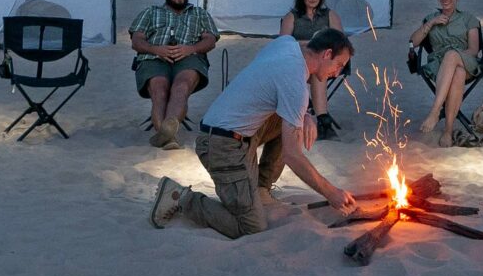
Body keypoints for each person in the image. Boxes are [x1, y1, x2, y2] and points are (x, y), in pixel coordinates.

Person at [150, 28, 363, 238]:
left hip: (230, 131)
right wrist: (331, 193)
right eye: (339, 65)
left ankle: (260, 189)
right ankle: (181, 198)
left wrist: (305, 113)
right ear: (327, 54)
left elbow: (273, 81)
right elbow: (293, 156)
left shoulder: (286, 44)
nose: (337, 73)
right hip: (221, 146)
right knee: (251, 226)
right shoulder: (295, 82)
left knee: (290, 117)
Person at [130, 0, 219, 150]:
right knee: (159, 89)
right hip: (154, 57)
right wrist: (156, 49)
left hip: (189, 57)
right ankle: (169, 137)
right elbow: (136, 41)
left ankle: (163, 135)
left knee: (181, 87)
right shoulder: (150, 12)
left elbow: (210, 40)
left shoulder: (199, 13)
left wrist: (191, 48)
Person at [409, 0, 483, 144]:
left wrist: (457, 56)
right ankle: (448, 131)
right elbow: (413, 42)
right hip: (439, 65)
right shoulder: (431, 18)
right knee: (457, 72)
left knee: (452, 57)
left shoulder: (468, 18)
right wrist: (432, 23)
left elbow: (473, 49)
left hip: (466, 59)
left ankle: (435, 111)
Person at [279, 0, 345, 137]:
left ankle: (321, 117)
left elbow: (340, 42)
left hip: (325, 65)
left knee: (318, 69)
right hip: (297, 65)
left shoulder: (329, 15)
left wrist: (306, 43)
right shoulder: (292, 17)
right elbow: (282, 44)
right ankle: (323, 120)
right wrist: (312, 43)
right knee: (315, 67)